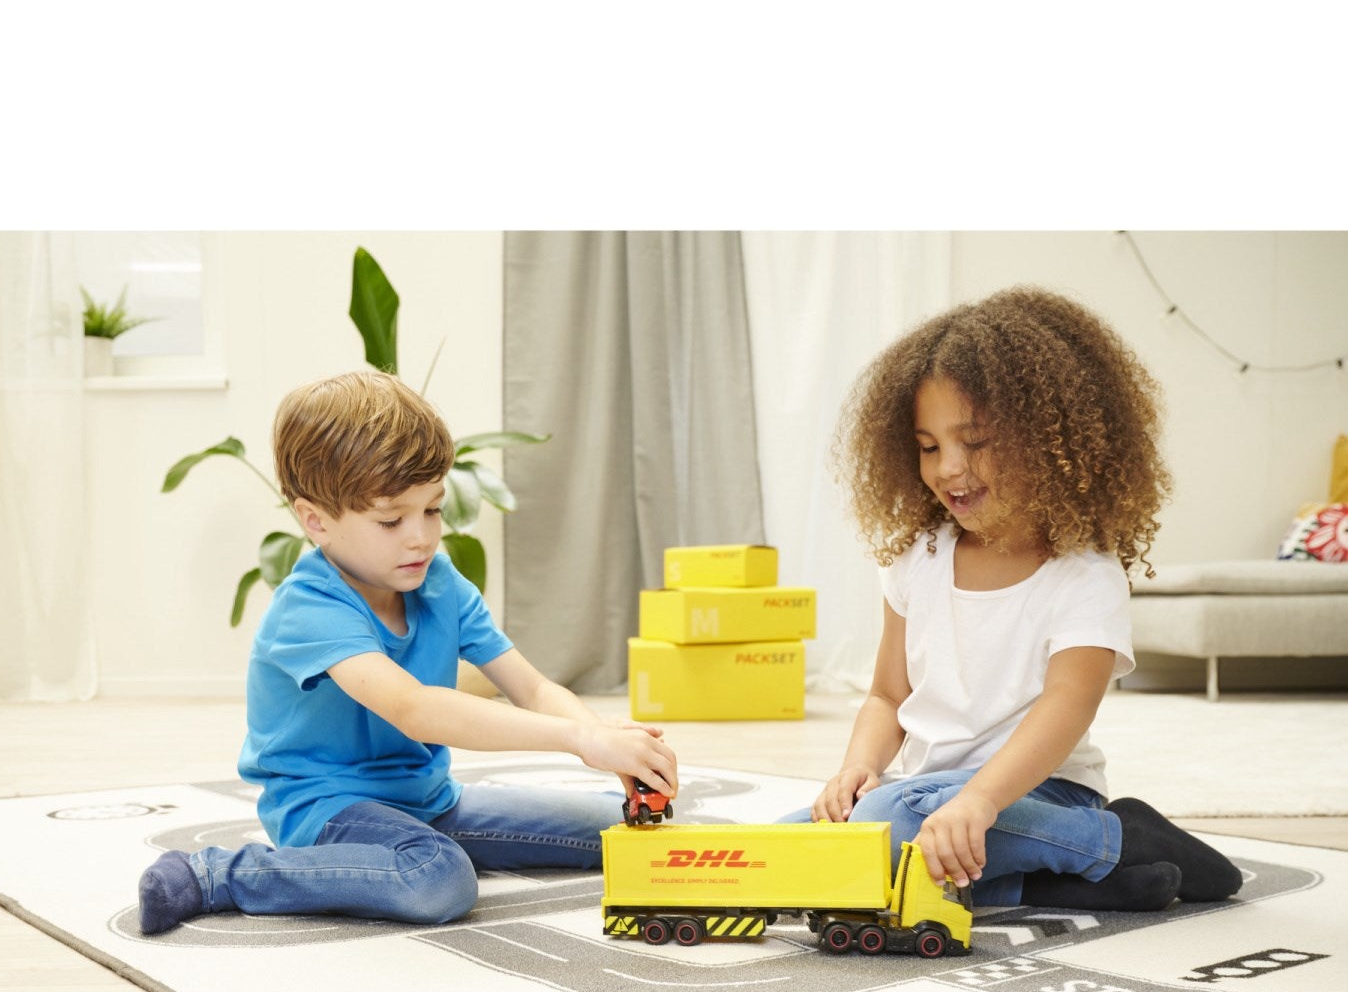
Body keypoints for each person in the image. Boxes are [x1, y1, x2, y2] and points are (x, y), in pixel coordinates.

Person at [137, 370, 677, 935]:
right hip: (327, 810)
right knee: (437, 879)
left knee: (617, 827)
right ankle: (219, 874)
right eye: (391, 519)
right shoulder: (309, 607)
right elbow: (414, 708)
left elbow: (533, 688)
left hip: (429, 800)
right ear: (315, 521)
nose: (420, 537)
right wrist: (579, 738)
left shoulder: (440, 582)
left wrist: (606, 741)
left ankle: (405, 845)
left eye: (433, 510)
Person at [785, 286, 1241, 911]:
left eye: (974, 442)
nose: (948, 468)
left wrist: (978, 799)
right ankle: (1056, 882)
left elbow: (1068, 704)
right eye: (929, 447)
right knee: (792, 841)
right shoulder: (915, 559)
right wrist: (856, 768)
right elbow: (888, 696)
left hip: (1042, 795)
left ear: (1051, 440)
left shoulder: (1083, 574)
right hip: (927, 795)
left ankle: (1116, 836)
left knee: (886, 828)